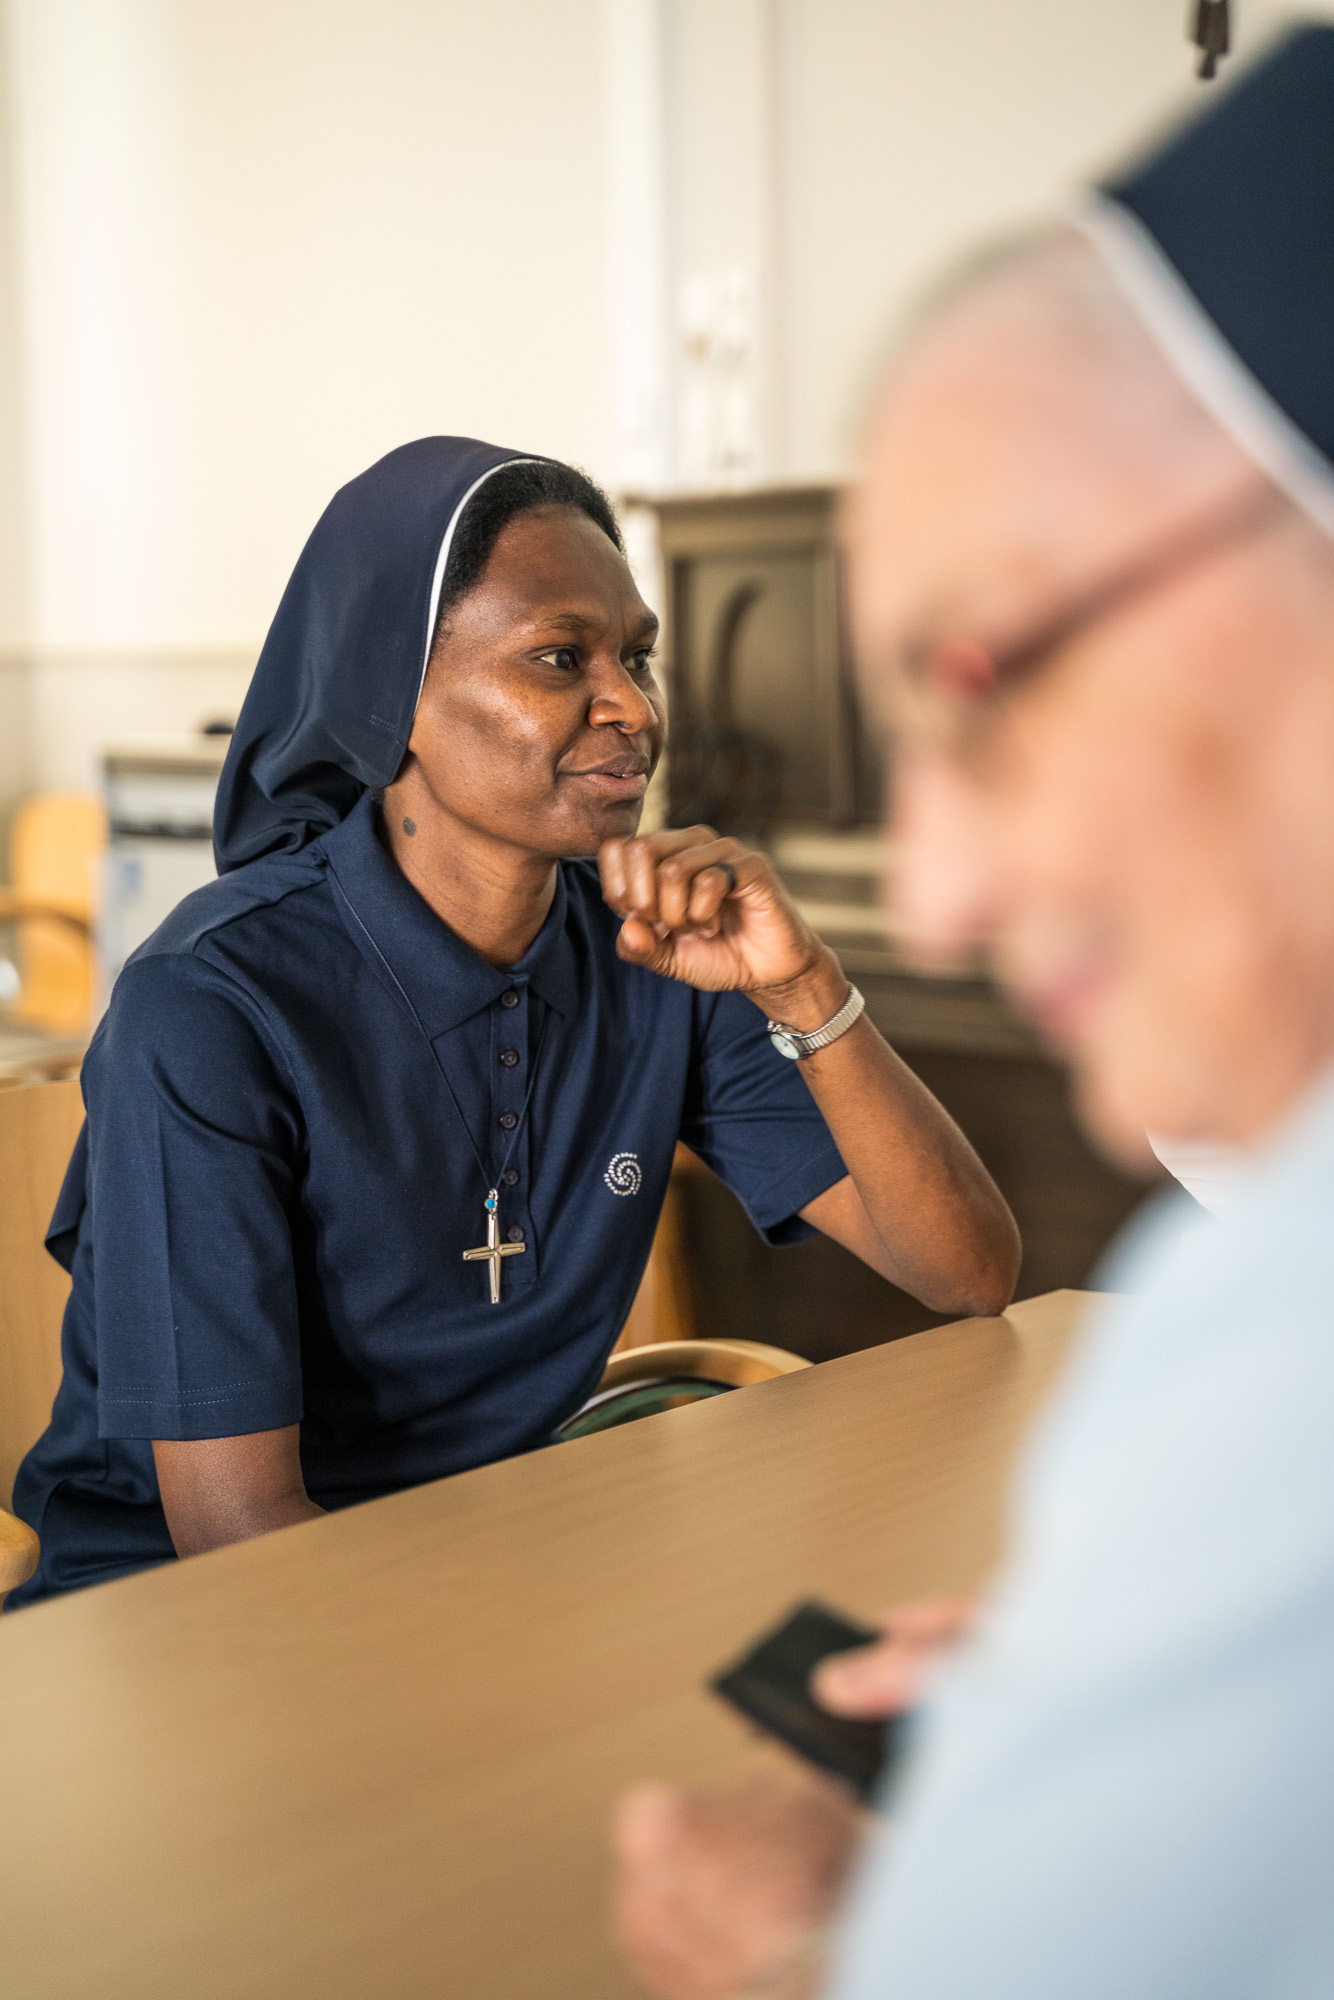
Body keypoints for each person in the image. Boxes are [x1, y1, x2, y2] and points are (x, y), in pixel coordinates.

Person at [614, 25, 1334, 1998]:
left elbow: (963, 1262)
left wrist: (854, 1953)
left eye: (985, 674)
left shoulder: (1288, 1337)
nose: (935, 883)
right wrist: (1139, 1713)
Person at [7, 440, 1017, 1609]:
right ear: (394, 698)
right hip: (175, 1629)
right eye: (559, 658)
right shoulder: (212, 1005)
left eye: (637, 656)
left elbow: (965, 1273)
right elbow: (242, 1538)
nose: (632, 708)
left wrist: (801, 987)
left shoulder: (653, 951)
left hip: (503, 1567)